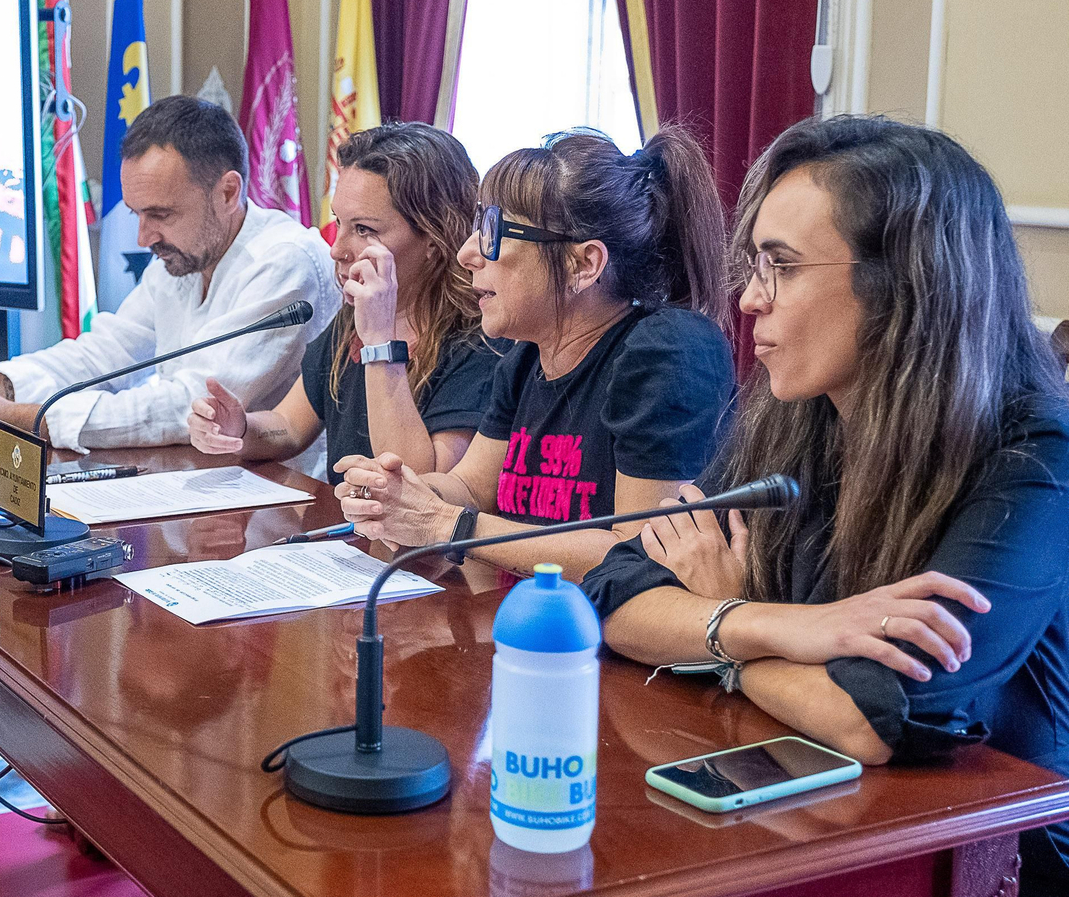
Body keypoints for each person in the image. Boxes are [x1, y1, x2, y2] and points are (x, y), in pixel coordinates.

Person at [580, 116, 1069, 892]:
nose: (747, 301)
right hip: (815, 823)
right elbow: (613, 592)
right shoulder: (795, 416)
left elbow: (875, 716)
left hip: (981, 863)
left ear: (905, 284)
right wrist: (784, 626)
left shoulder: (1037, 458)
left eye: (781, 266)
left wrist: (719, 622)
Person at [334, 127, 735, 575]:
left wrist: (447, 525)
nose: (467, 254)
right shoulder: (526, 356)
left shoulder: (667, 352)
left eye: (492, 232)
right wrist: (399, 495)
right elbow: (468, 488)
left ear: (584, 264)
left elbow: (639, 553)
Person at [0, 96, 339, 451]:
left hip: (282, 504)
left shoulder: (284, 261)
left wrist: (23, 422)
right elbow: (105, 353)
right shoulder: (184, 252)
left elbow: (190, 405)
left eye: (160, 214)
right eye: (136, 213)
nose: (143, 235)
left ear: (228, 192)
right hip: (192, 484)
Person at [187, 122, 503, 483]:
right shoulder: (354, 317)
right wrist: (241, 429)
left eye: (364, 229)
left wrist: (380, 342)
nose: (337, 249)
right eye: (339, 223)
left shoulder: (481, 338)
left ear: (434, 238)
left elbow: (418, 485)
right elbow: (289, 426)